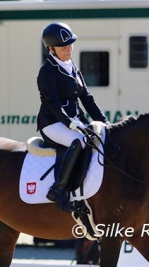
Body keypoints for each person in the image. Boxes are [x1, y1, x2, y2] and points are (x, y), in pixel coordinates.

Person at [37, 22, 109, 212]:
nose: (69, 48)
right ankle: (58, 189)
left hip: (76, 121)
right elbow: (52, 103)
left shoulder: (72, 67)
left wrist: (104, 122)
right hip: (52, 123)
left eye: (70, 44)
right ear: (51, 49)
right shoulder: (47, 71)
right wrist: (69, 123)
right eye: (63, 46)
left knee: (102, 139)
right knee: (79, 142)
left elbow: (87, 98)